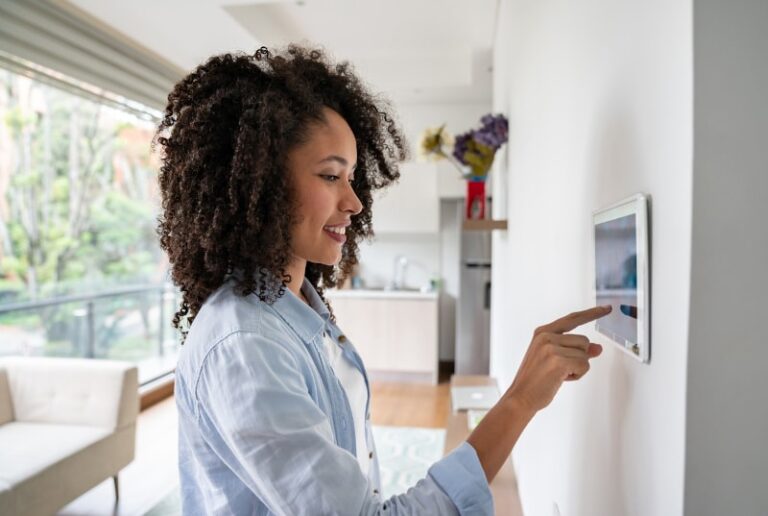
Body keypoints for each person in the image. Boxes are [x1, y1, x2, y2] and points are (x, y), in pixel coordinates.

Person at [155, 45, 611, 516]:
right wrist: (519, 401)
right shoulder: (245, 345)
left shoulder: (297, 309)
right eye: (331, 175)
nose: (354, 202)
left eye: (351, 177)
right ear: (260, 181)